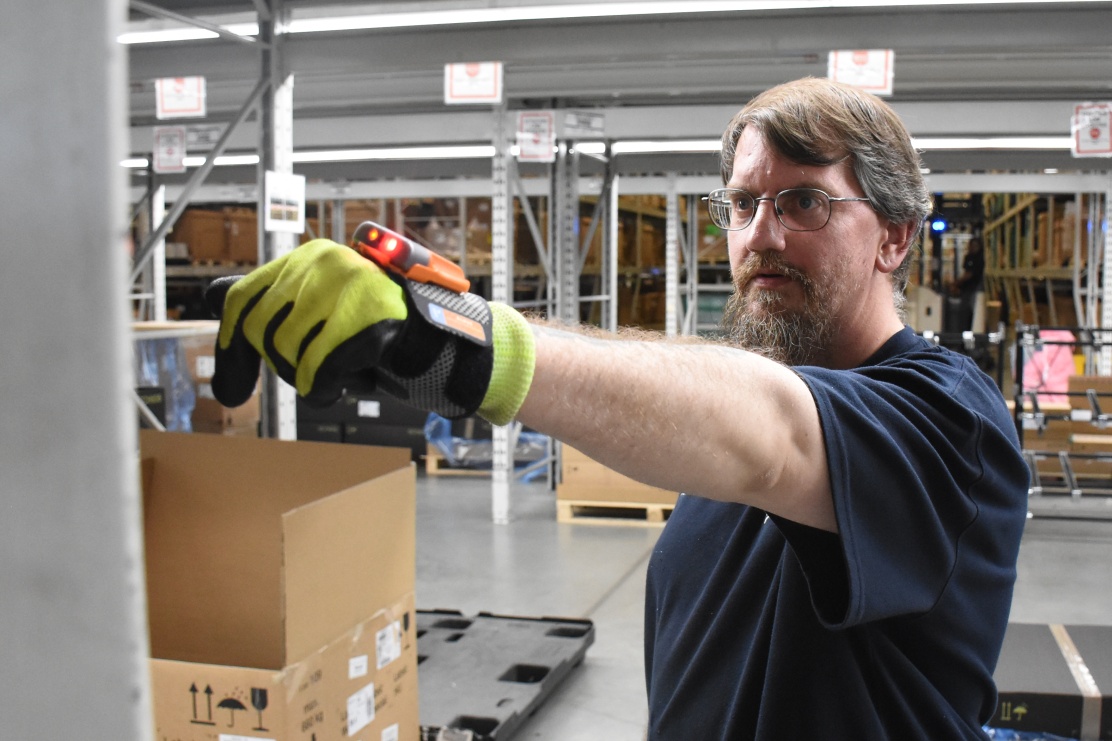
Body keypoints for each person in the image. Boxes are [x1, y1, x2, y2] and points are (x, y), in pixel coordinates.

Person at [208, 77, 1029, 739]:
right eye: (742, 204)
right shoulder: (718, 427)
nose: (760, 236)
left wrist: (463, 345)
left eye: (804, 203)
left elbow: (776, 434)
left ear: (895, 237)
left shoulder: (951, 421)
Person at [950, 235, 986, 330]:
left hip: (976, 288)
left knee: (971, 310)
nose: (973, 247)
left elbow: (969, 274)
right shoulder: (969, 257)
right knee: (966, 311)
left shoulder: (980, 257)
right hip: (968, 288)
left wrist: (956, 283)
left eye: (976, 245)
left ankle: (968, 329)